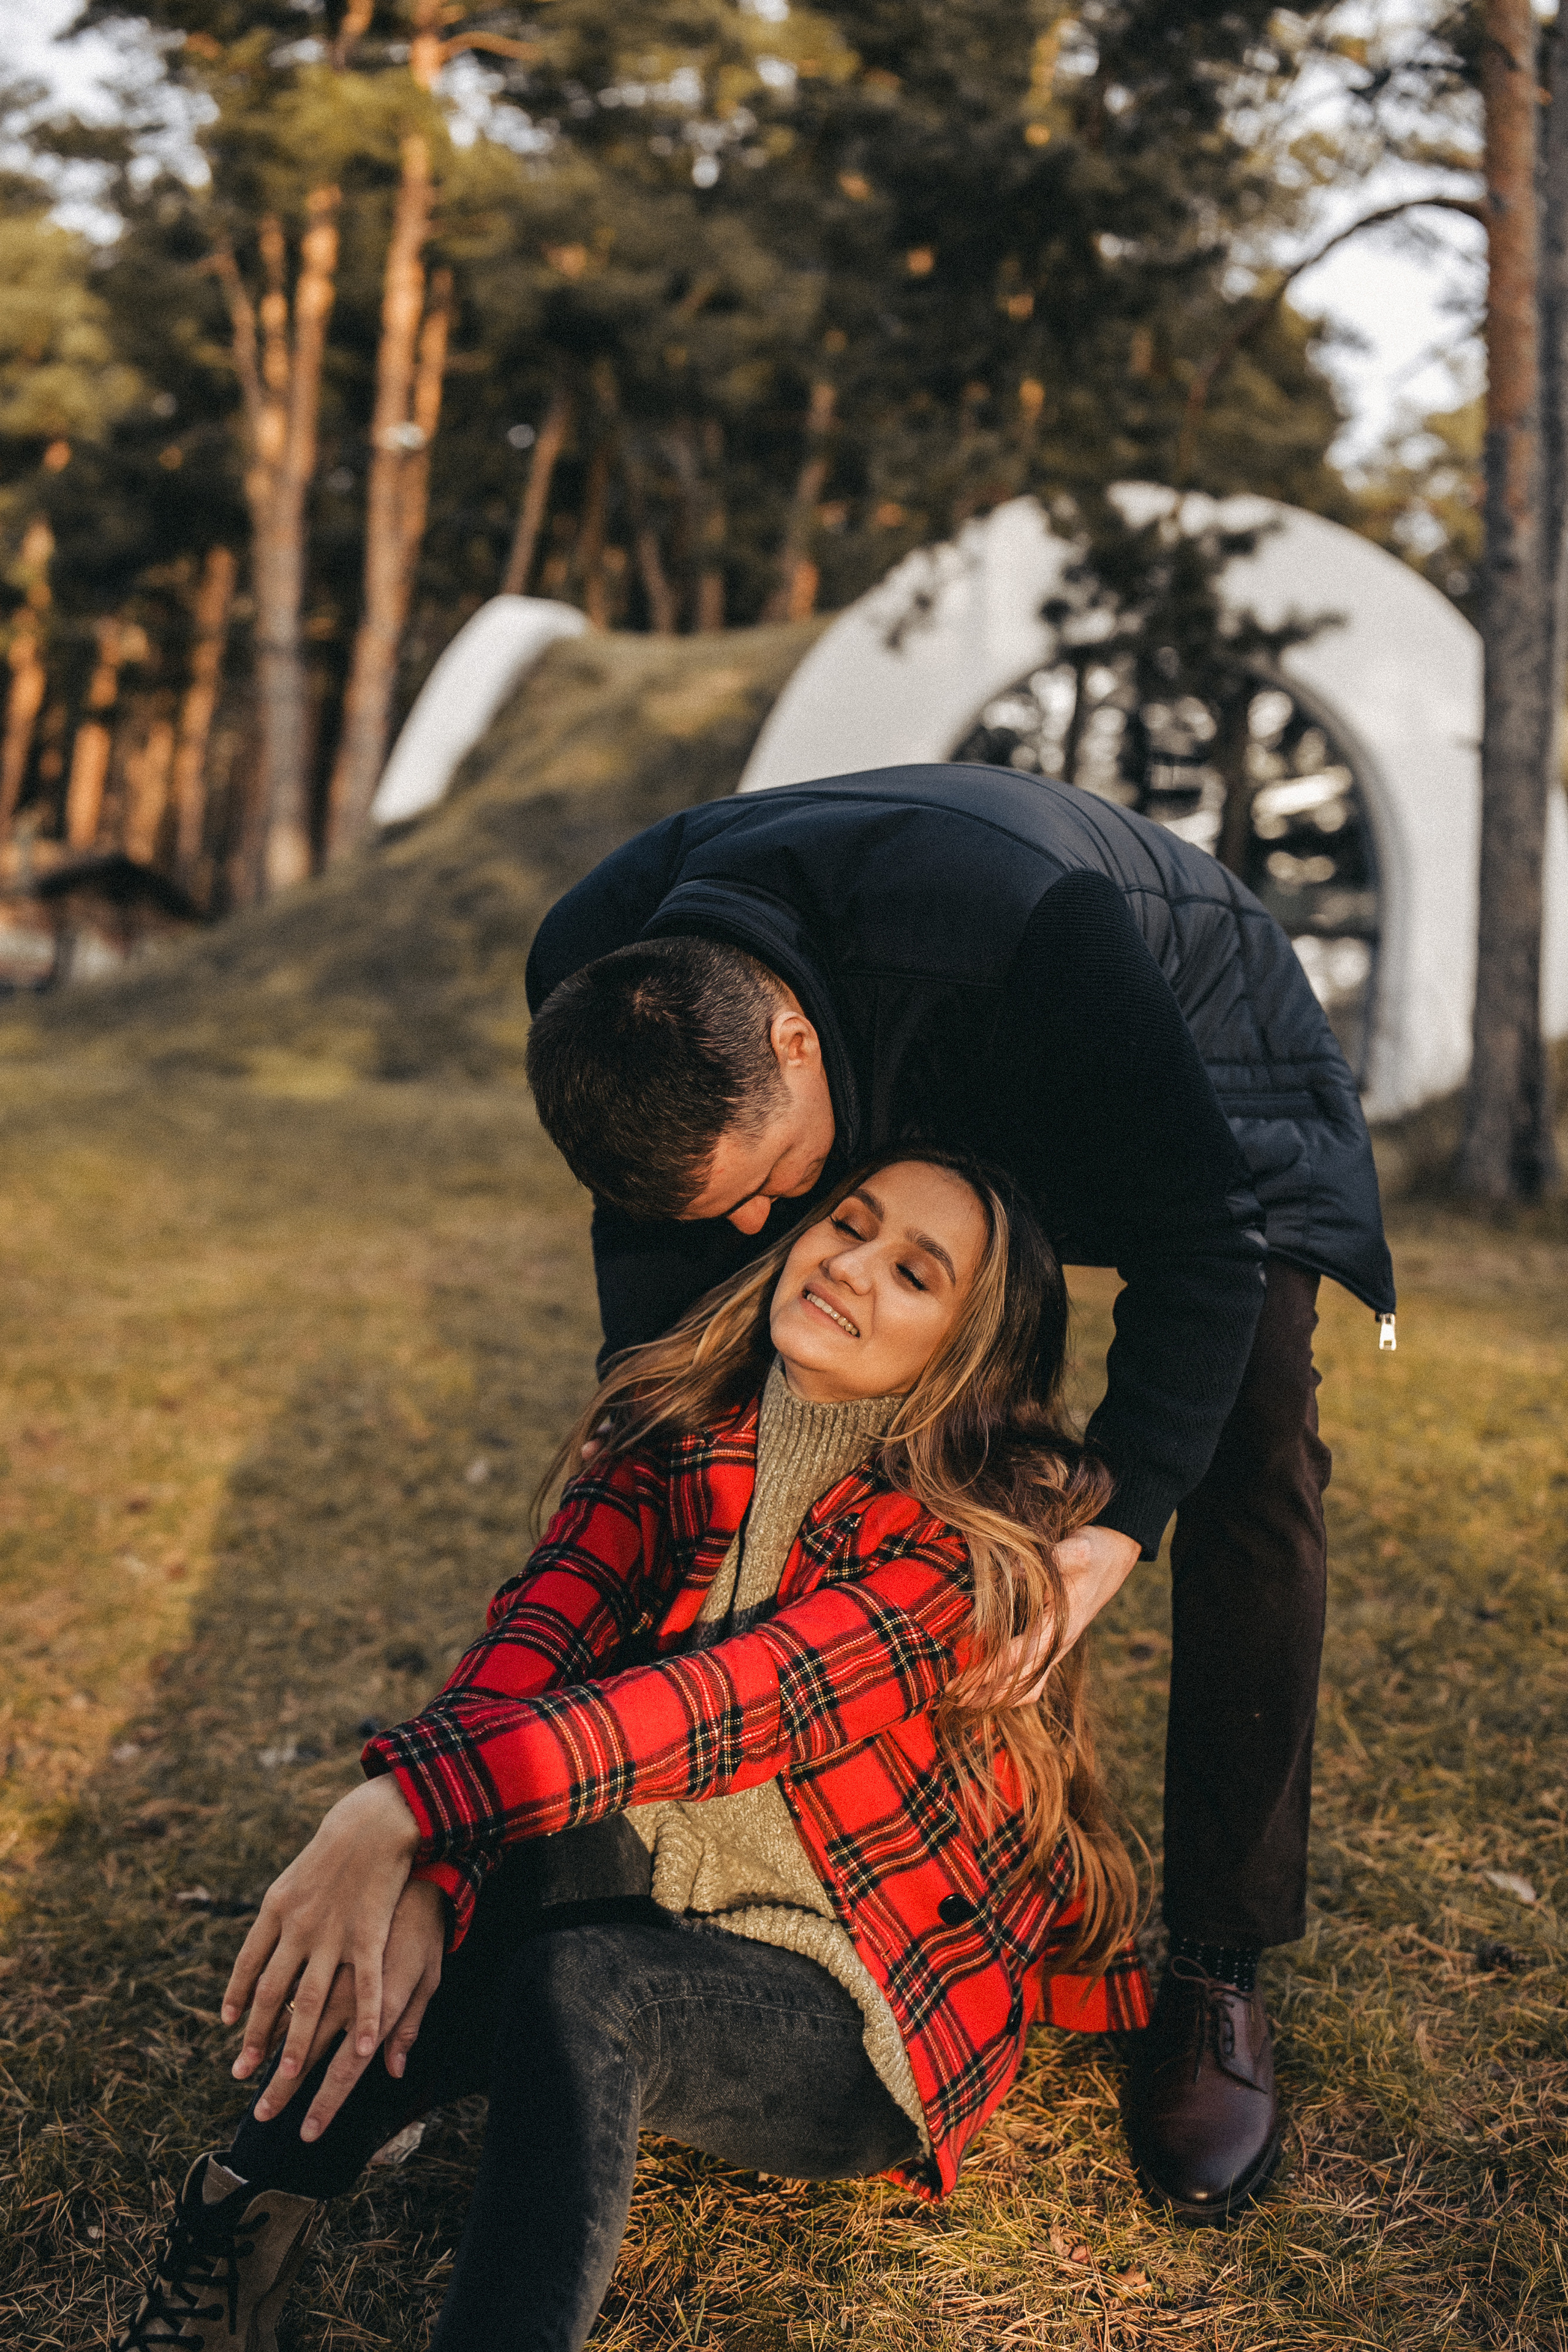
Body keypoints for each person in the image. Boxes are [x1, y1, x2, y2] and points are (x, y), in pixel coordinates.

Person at [522, 760, 1397, 2220]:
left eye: (765, 1185)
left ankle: (1216, 1971)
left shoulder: (1026, 930)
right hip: (913, 1041)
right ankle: (737, 1819)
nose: (756, 1226)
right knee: (716, 1415)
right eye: (729, 1208)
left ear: (794, 1044)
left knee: (1248, 1445)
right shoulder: (601, 976)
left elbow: (1205, 1249)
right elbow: (668, 1300)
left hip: (1191, 1052)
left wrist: (1117, 1523)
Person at [112, 1152, 1150, 2352]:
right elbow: (526, 1651)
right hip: (656, 1868)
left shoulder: (966, 1549)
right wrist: (430, 1868)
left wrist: (399, 1811)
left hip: (849, 1996)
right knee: (459, 1855)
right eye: (845, 1225)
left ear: (965, 1357)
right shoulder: (672, 1438)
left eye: (912, 1274)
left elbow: (727, 1702)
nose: (850, 1266)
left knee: (579, 1980)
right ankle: (246, 2222)